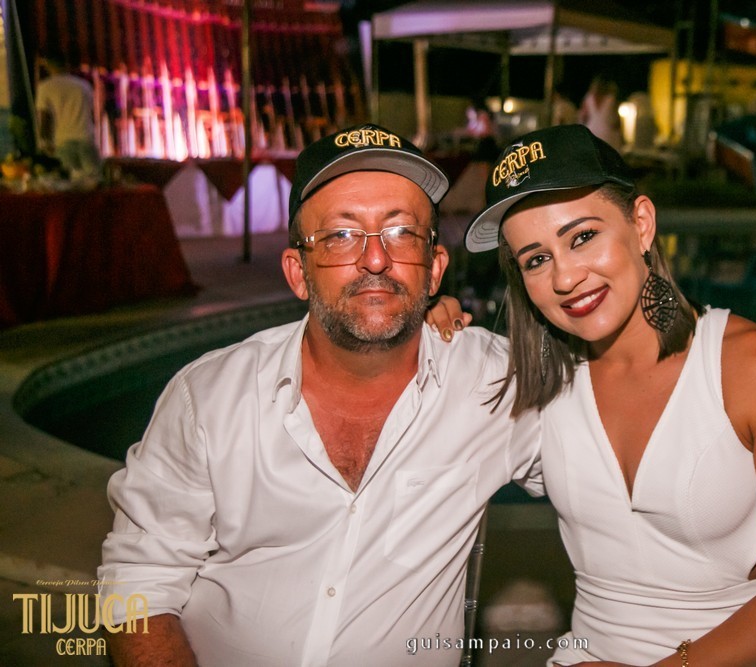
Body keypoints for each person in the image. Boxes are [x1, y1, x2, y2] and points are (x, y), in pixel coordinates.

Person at [98, 123, 540, 666]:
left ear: (434, 271)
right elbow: (139, 586)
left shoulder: (493, 383)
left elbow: (618, 449)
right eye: (340, 235)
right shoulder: (208, 399)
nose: (375, 259)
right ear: (298, 272)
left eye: (401, 232)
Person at [460, 124, 756, 665]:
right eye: (536, 259)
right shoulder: (539, 383)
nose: (565, 277)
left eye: (582, 237)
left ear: (641, 223)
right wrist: (436, 318)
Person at [34, 53, 102, 177]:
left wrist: (44, 143)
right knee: (94, 181)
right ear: (67, 65)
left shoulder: (45, 87)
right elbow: (92, 115)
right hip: (87, 139)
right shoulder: (84, 85)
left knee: (70, 183)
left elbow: (45, 118)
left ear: (48, 66)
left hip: (63, 142)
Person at [578, 74, 623, 150]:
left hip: (592, 132)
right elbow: (616, 121)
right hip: (608, 134)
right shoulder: (612, 98)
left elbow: (583, 117)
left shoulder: (588, 98)